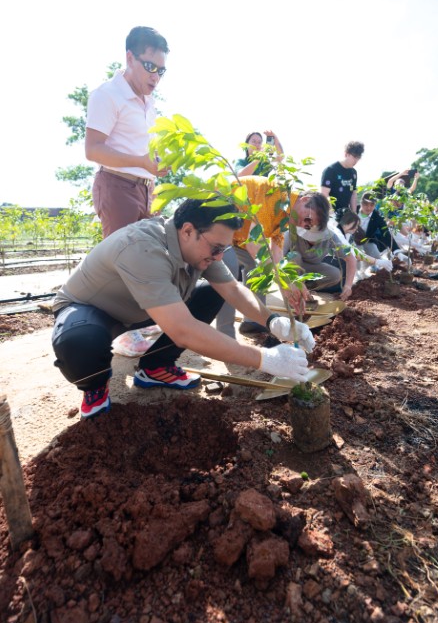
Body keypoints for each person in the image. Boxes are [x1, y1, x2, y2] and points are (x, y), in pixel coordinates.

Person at [52, 199, 314, 419]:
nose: (220, 256)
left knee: (211, 292)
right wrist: (265, 359)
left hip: (139, 312)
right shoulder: (143, 247)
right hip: (92, 311)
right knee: (81, 342)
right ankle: (95, 385)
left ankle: (155, 367)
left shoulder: (198, 248)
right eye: (217, 248)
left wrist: (274, 322)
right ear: (188, 231)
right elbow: (183, 331)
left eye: (225, 248)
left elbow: (233, 289)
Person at [86, 26, 170, 239]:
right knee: (121, 262)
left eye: (161, 70)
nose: (155, 77)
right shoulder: (107, 95)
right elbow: (92, 150)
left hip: (148, 191)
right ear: (130, 58)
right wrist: (141, 162)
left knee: (149, 259)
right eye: (150, 66)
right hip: (117, 187)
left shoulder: (149, 103)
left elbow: (147, 151)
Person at [215, 176, 287, 337]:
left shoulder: (283, 217)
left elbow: (277, 255)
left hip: (238, 238)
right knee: (229, 274)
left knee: (256, 270)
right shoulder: (271, 196)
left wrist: (288, 286)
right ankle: (225, 335)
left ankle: (253, 321)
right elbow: (254, 246)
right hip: (220, 230)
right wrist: (272, 270)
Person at [284, 192, 358, 301]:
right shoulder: (293, 230)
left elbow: (350, 258)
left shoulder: (331, 237)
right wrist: (289, 281)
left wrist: (348, 286)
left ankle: (308, 289)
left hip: (312, 268)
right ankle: (295, 288)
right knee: (294, 256)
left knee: (335, 274)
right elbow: (279, 258)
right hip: (292, 267)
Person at [354, 192, 409, 263]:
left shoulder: (377, 216)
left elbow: (385, 233)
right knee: (355, 262)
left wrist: (397, 252)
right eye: (366, 204)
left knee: (376, 258)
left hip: (368, 241)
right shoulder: (353, 210)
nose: (368, 207)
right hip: (352, 242)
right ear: (361, 203)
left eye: (372, 205)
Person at [320, 141, 364, 218]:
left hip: (345, 215)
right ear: (346, 154)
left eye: (358, 158)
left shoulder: (353, 173)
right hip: (329, 214)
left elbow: (353, 194)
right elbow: (324, 194)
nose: (356, 161)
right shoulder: (331, 170)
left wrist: (354, 214)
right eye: (354, 157)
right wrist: (332, 215)